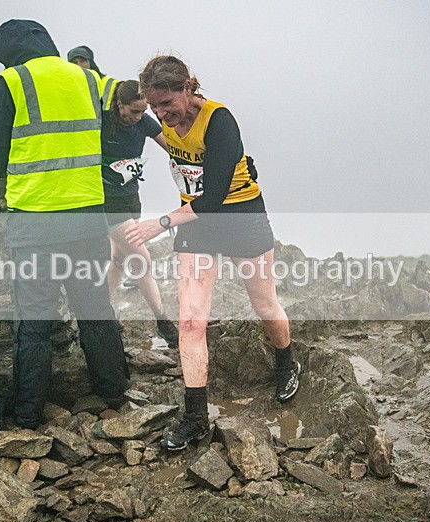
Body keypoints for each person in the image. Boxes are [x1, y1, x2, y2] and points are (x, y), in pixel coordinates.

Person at [125, 56, 300, 451]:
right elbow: (121, 107)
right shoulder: (161, 120)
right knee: (190, 322)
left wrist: (161, 223)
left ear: (188, 88)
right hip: (196, 224)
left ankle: (287, 364)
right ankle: (195, 418)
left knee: (264, 304)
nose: (162, 114)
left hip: (239, 215)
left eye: (167, 104)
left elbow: (217, 198)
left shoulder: (220, 121)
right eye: (154, 107)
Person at [0, 19, 130, 429]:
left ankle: (28, 413)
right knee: (95, 309)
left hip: (35, 223)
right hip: (86, 218)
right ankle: (113, 391)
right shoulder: (86, 78)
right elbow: (129, 99)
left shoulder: (9, 83)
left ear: (7, 53)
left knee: (34, 323)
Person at [99, 79, 179, 348]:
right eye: (132, 111)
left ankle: (100, 315)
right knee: (141, 257)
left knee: (120, 259)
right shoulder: (103, 120)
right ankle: (163, 321)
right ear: (119, 104)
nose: (137, 117)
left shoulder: (144, 122)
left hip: (131, 197)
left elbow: (171, 146)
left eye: (142, 111)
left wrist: (198, 160)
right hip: (108, 202)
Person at [67, 45, 117, 111]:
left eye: (82, 61)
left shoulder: (112, 84)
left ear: (90, 63)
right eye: (74, 63)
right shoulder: (67, 87)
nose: (79, 65)